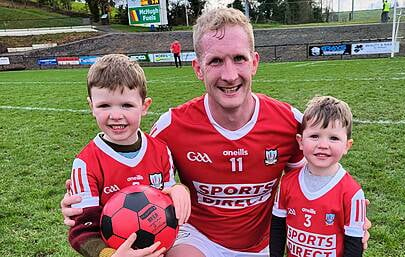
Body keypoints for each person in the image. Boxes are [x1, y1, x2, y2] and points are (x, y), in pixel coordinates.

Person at [61, 7, 371, 257]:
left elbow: (313, 181)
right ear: (198, 68)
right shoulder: (172, 126)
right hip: (198, 239)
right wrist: (86, 211)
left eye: (238, 59)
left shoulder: (290, 121)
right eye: (216, 61)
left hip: (264, 244)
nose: (230, 74)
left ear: (254, 63)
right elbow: (138, 174)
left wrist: (350, 216)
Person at [67, 54, 191, 257]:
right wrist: (110, 255)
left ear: (144, 106)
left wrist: (179, 189)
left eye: (127, 105)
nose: (116, 115)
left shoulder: (161, 150)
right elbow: (81, 232)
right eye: (104, 105)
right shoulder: (86, 163)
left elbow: (167, 196)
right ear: (91, 107)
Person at [270, 96, 366, 257]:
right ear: (300, 141)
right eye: (314, 136)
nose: (322, 145)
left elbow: (354, 245)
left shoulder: (352, 193)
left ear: (347, 146)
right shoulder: (287, 182)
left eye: (334, 138)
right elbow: (278, 229)